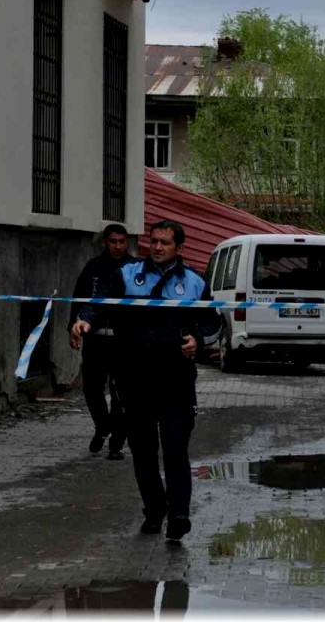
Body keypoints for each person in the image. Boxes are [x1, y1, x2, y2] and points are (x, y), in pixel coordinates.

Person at [71, 220, 220, 540]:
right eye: (153, 241)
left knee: (176, 446)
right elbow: (100, 302)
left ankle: (179, 513)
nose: (157, 247)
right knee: (143, 450)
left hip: (176, 380)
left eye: (165, 242)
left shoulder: (194, 283)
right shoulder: (128, 275)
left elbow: (213, 323)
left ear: (179, 248)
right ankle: (155, 509)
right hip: (135, 379)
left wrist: (198, 339)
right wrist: (84, 320)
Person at [70, 224, 136, 460]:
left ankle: (116, 444)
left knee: (122, 394)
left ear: (127, 242)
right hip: (95, 339)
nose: (117, 246)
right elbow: (78, 299)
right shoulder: (93, 268)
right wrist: (73, 328)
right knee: (91, 388)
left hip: (124, 341)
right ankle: (103, 425)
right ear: (105, 243)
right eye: (113, 241)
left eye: (121, 241)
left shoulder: (135, 269)